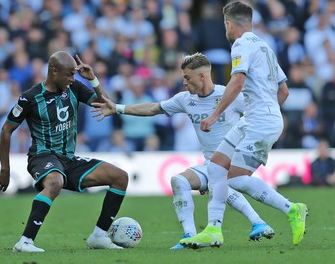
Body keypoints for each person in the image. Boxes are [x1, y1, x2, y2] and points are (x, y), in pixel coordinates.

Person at [91, 52, 274, 249]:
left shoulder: (228, 95)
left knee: (218, 181)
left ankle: (260, 221)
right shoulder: (185, 99)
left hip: (234, 160)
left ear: (202, 76)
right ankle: (190, 236)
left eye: (187, 77)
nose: (184, 82)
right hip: (211, 163)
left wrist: (253, 145)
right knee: (180, 181)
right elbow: (152, 108)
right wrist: (117, 108)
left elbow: (260, 114)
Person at [180, 0, 308, 249]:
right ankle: (213, 230)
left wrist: (216, 114)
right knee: (216, 165)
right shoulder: (265, 46)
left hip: (258, 120)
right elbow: (284, 91)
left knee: (233, 179)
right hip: (256, 117)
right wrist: (269, 114)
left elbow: (237, 82)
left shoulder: (240, 45)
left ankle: (292, 209)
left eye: (225, 26)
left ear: (229, 24)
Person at [0, 51, 129, 252]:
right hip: (42, 156)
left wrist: (92, 80)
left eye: (73, 75)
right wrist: (5, 169)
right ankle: (24, 242)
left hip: (69, 159)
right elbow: (7, 129)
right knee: (55, 182)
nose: (71, 79)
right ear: (53, 71)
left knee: (120, 177)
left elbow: (106, 104)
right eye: (68, 75)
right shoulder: (30, 98)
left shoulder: (74, 88)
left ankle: (99, 236)